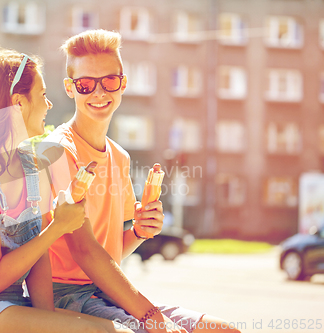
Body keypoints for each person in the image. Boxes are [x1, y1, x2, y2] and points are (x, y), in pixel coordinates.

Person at [43, 30, 242, 333]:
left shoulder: (119, 157)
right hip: (65, 298)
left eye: (109, 81)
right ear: (70, 89)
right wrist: (153, 317)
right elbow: (85, 252)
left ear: (123, 83)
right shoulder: (59, 150)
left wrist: (138, 231)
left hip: (106, 292)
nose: (99, 93)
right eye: (85, 85)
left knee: (224, 330)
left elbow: (109, 256)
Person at [0, 49, 133, 333]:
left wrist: (50, 320)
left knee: (121, 330)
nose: (49, 104)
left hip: (11, 307)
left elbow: (38, 261)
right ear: (18, 104)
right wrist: (58, 228)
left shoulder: (30, 165)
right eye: (42, 95)